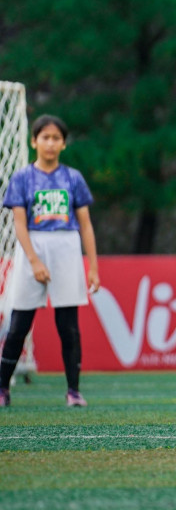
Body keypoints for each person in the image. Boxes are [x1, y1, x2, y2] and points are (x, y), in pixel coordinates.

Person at [0, 115, 100, 408]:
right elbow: (19, 223)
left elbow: (86, 225)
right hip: (32, 245)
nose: (50, 143)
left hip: (66, 245)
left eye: (56, 138)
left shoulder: (73, 178)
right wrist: (34, 261)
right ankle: (3, 388)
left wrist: (93, 267)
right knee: (19, 324)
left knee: (68, 325)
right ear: (34, 141)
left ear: (64, 144)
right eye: (45, 137)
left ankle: (73, 391)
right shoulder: (22, 178)